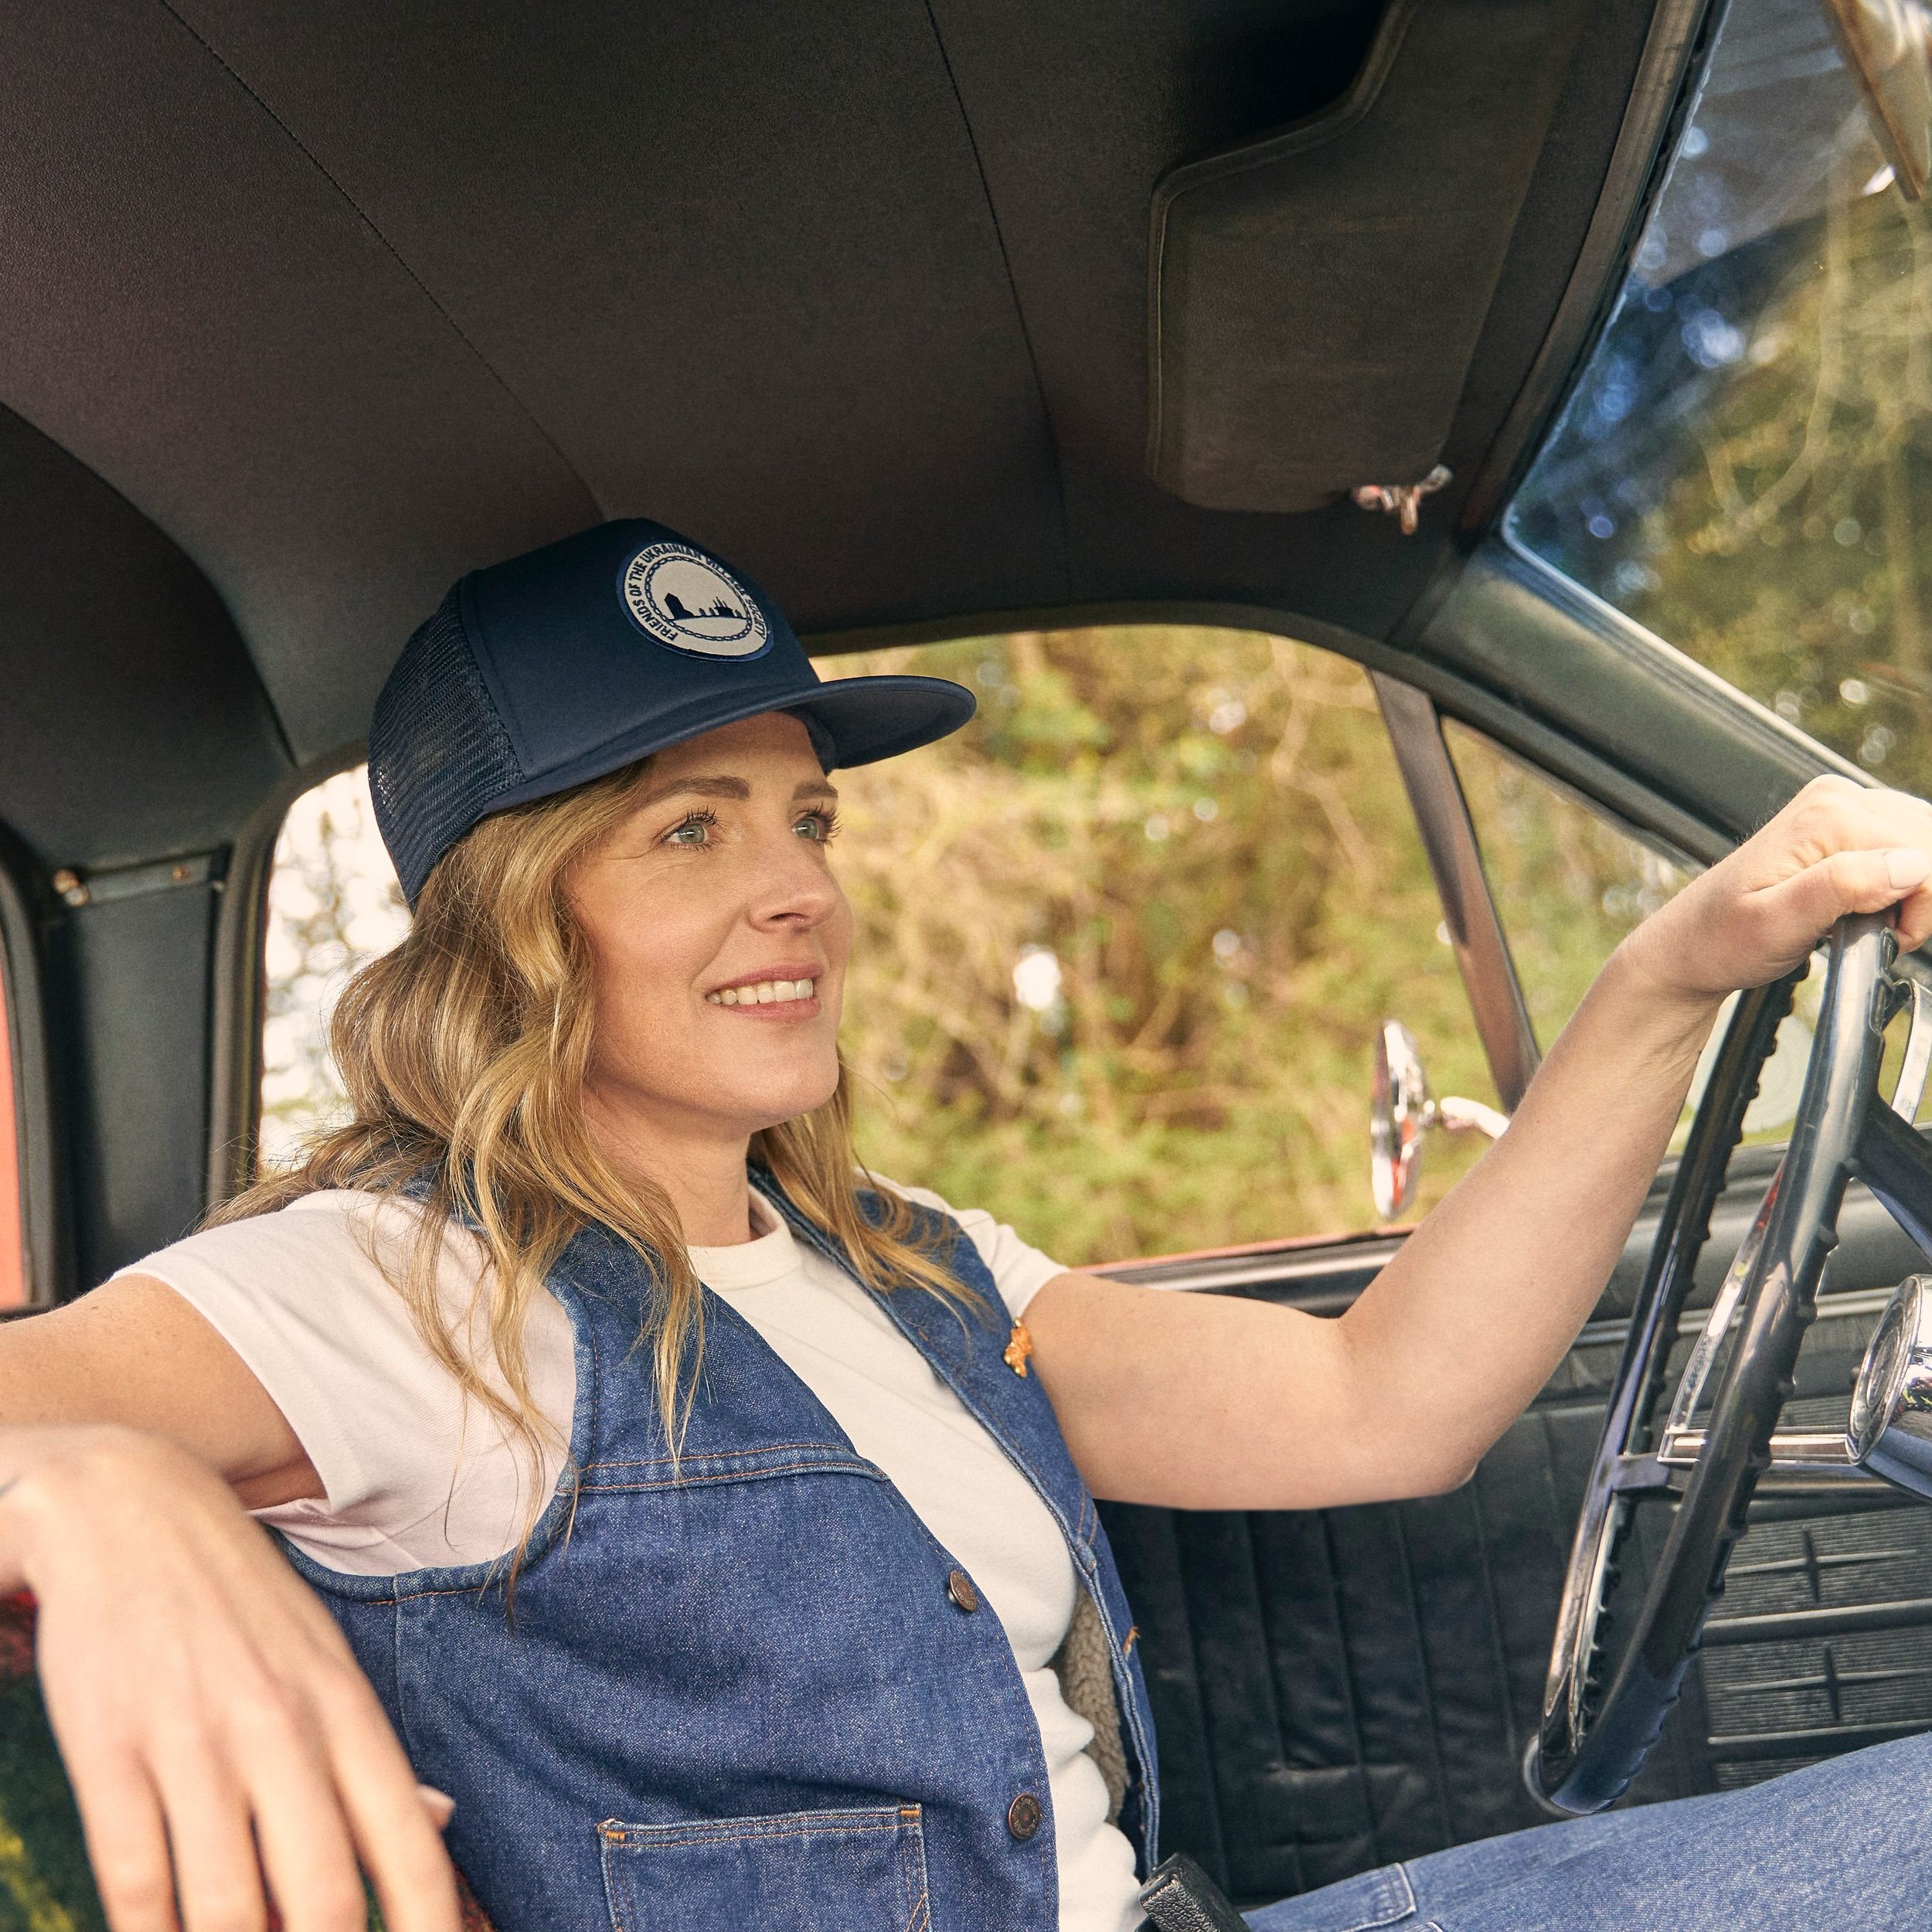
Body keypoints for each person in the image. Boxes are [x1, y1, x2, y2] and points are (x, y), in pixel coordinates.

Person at [2, 518, 1930, 1932]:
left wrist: (1672, 971)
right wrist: (89, 1487)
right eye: (691, 828)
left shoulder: (909, 1262)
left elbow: (1381, 1396)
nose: (800, 895)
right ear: (510, 919)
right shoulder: (390, 1282)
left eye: (806, 821)